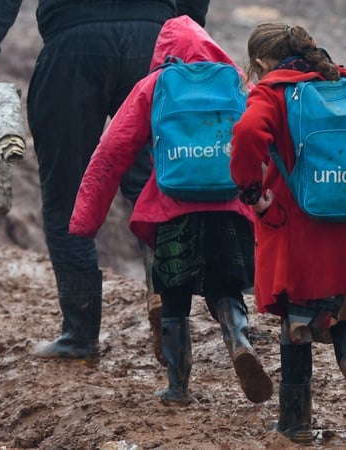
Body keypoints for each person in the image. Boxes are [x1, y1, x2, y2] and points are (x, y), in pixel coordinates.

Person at [0, 0, 211, 361]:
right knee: (155, 186)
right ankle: (167, 306)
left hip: (72, 44)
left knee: (67, 192)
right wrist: (185, 26)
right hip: (151, 41)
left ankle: (80, 334)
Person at [69, 15, 273, 405]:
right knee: (225, 287)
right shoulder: (236, 82)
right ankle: (239, 340)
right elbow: (265, 136)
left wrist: (85, 220)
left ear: (164, 51)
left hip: (172, 210)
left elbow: (112, 151)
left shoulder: (155, 84)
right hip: (229, 206)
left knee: (174, 298)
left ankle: (178, 386)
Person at [229, 22, 346, 444]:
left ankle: (295, 422)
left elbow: (247, 134)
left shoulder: (273, 91)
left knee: (296, 325)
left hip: (302, 231)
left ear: (260, 63)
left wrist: (252, 193)